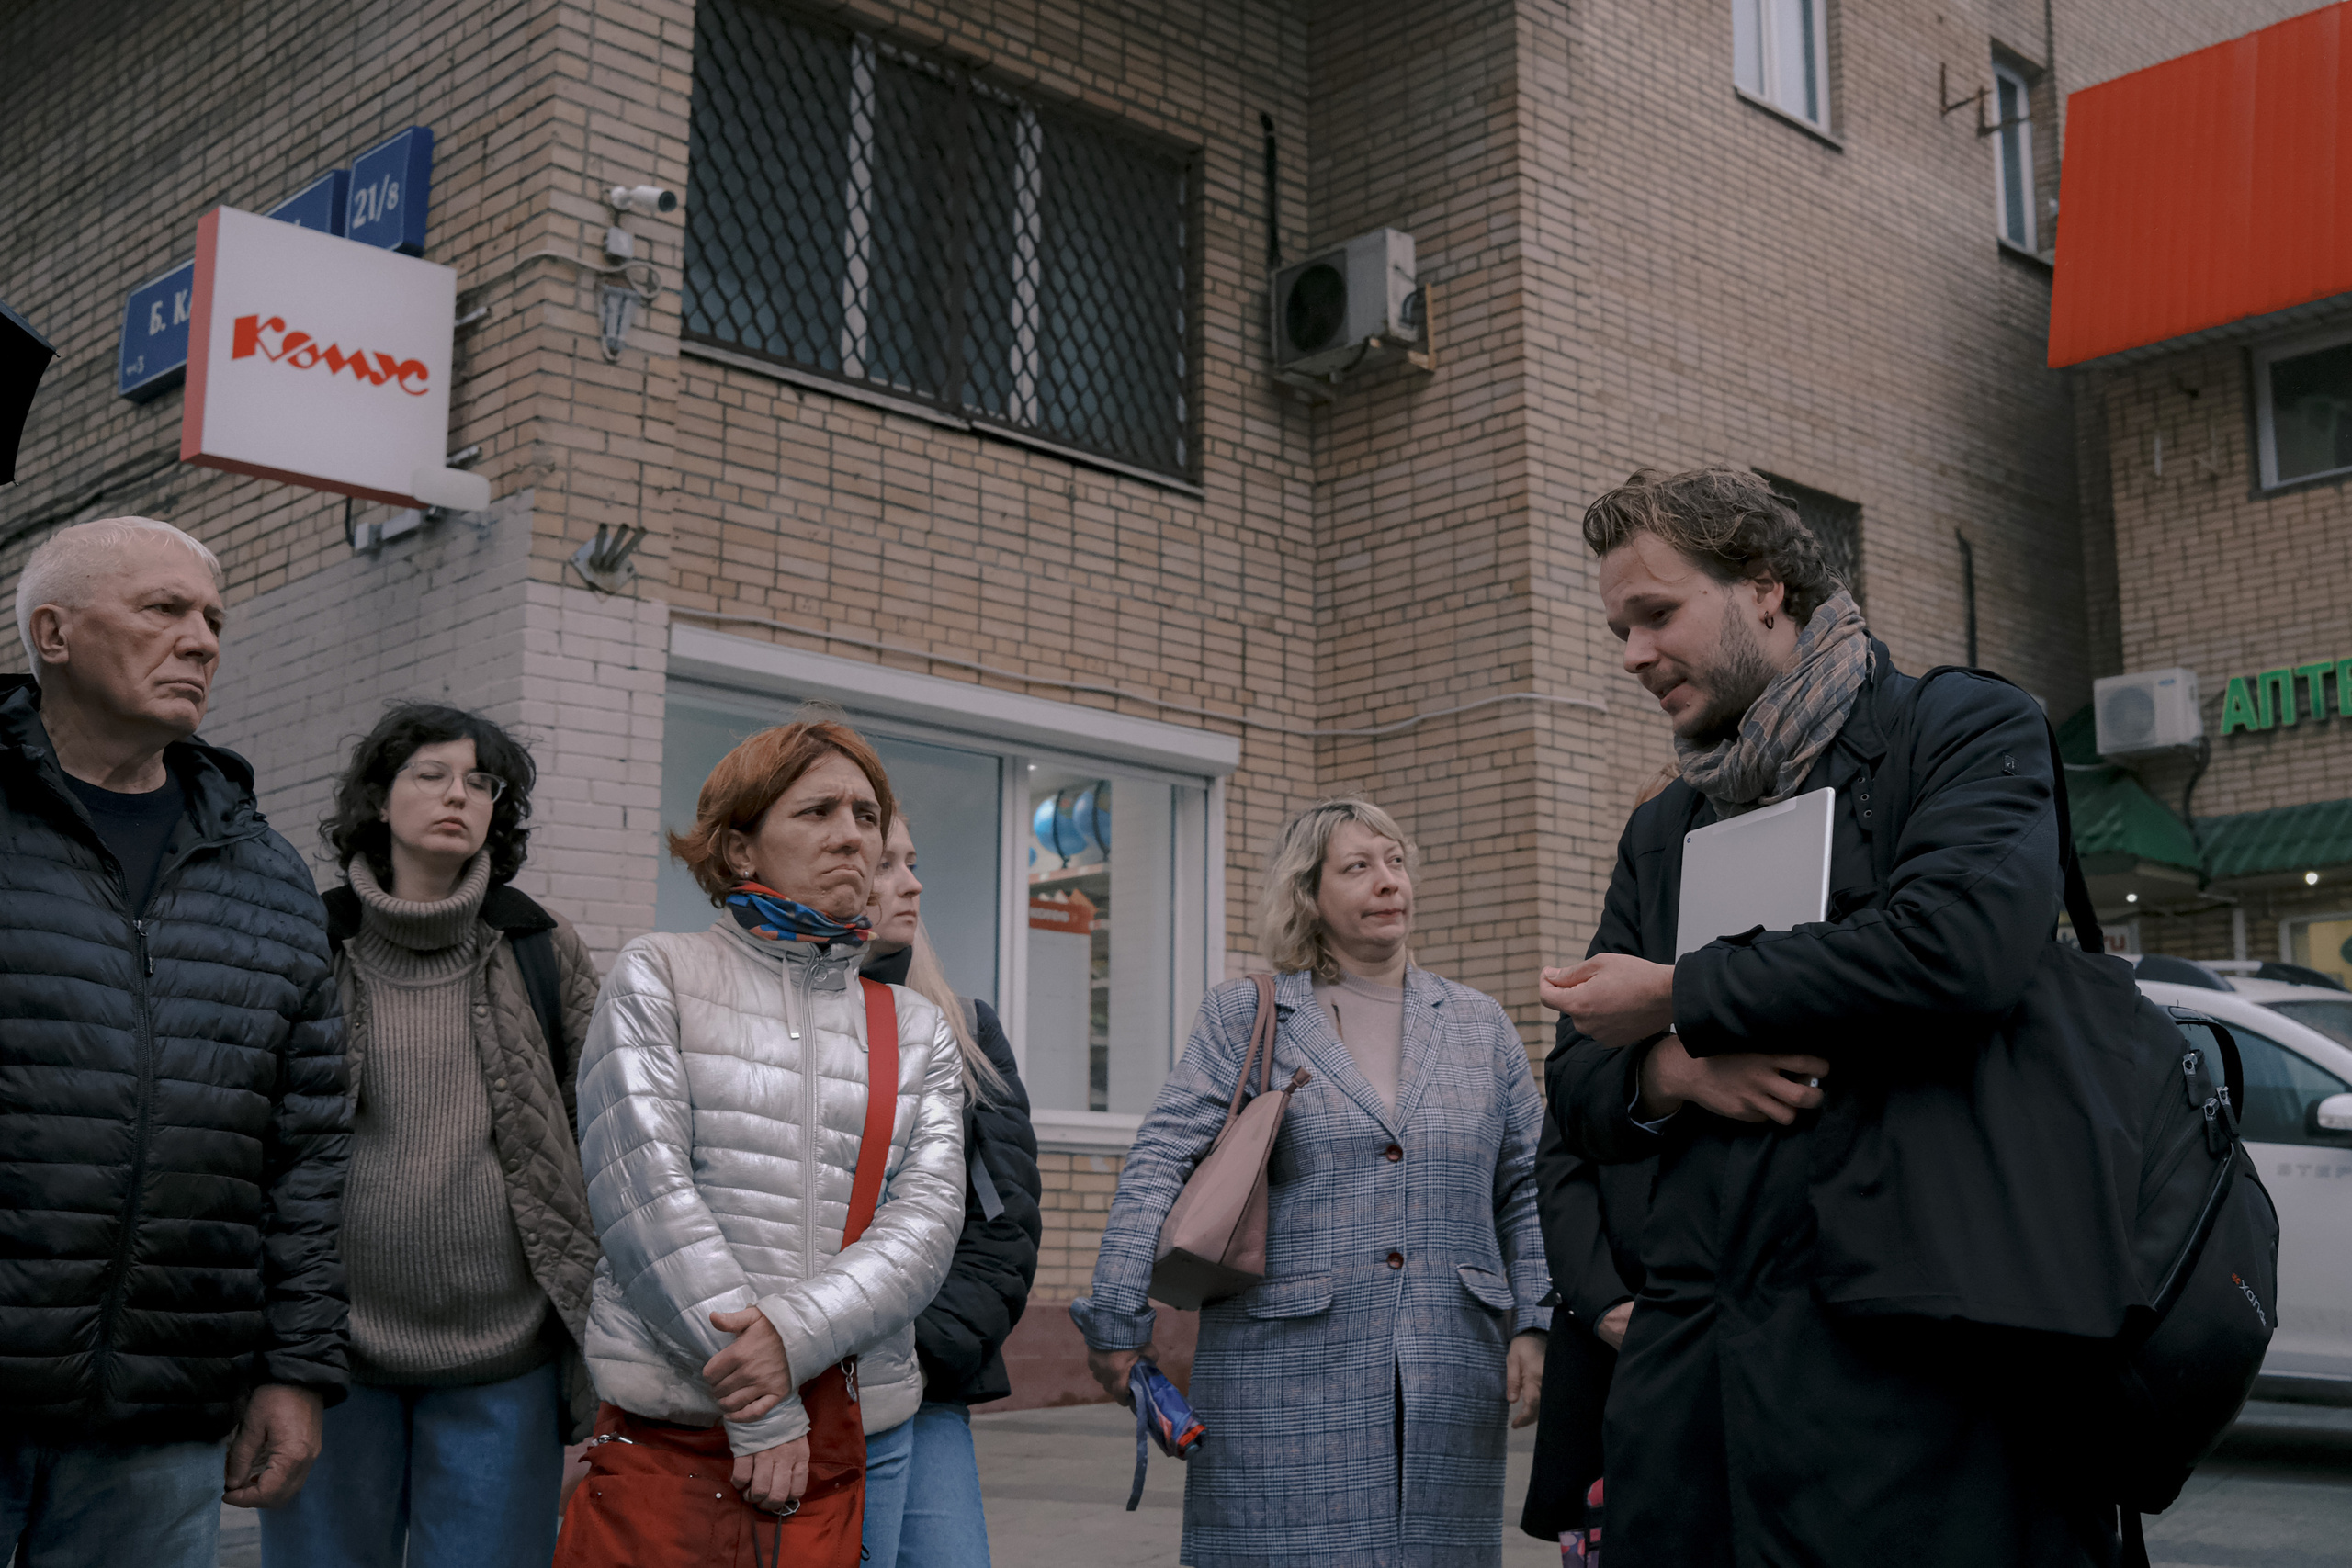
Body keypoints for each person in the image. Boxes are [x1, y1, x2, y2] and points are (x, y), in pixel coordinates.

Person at [1543, 467, 2119, 1565]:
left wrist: (1680, 996)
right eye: (1619, 627)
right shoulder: (1663, 827)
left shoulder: (1958, 730)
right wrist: (1675, 1074)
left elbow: (1955, 951)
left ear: (1765, 589)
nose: (1629, 654)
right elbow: (1575, 1083)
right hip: (1697, 1396)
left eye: (1655, 614)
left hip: (1928, 1379)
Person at [1073, 796, 1551, 1568]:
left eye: (1395, 861)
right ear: (1309, 894)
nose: (1387, 881)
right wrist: (1119, 1319)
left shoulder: (1479, 1023)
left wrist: (1536, 1318)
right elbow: (1161, 1157)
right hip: (1283, 1375)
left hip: (1449, 1372)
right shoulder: (1250, 1014)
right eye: (1357, 867)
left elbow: (1528, 1182)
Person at [0, 517, 348, 1567]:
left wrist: (294, 1368)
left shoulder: (265, 872)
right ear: (53, 634)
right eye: (163, 609)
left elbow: (307, 1152)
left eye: (213, 619)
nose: (201, 639)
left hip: (162, 1409)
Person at [567, 716, 965, 1541]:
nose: (852, 835)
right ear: (741, 847)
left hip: (864, 1425)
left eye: (865, 814)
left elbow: (927, 1222)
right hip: (680, 1423)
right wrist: (760, 1400)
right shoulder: (660, 973)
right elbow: (643, 1193)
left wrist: (791, 1336)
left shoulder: (915, 1026)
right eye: (817, 811)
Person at [257, 706, 601, 1568]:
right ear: (378, 798)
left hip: (504, 1359)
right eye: (432, 774)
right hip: (334, 1361)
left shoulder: (541, 948)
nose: (460, 794)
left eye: (481, 783)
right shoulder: (308, 942)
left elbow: (604, 1137)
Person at [857, 816, 1042, 1568]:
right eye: (884, 864)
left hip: (924, 1381)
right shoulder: (762, 1029)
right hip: (792, 1390)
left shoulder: (964, 1028)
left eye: (912, 859)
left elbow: (1006, 1232)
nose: (912, 881)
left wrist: (917, 1350)